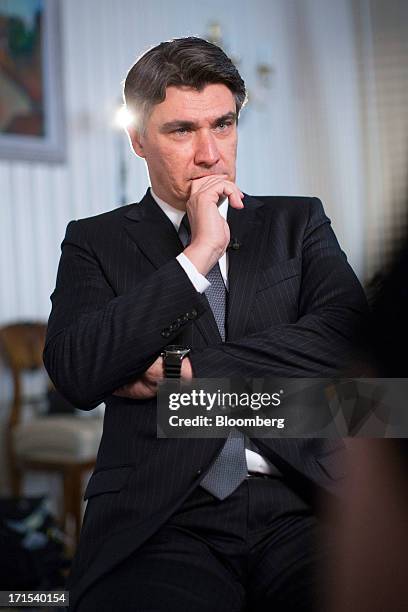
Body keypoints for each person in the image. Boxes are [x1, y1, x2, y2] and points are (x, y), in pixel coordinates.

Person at [43, 37, 367, 612]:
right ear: (138, 139)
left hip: (303, 498)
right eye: (181, 131)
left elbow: (349, 349)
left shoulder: (299, 222)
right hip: (160, 518)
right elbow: (77, 371)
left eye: (223, 125)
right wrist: (196, 255)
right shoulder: (94, 241)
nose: (210, 154)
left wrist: (181, 373)